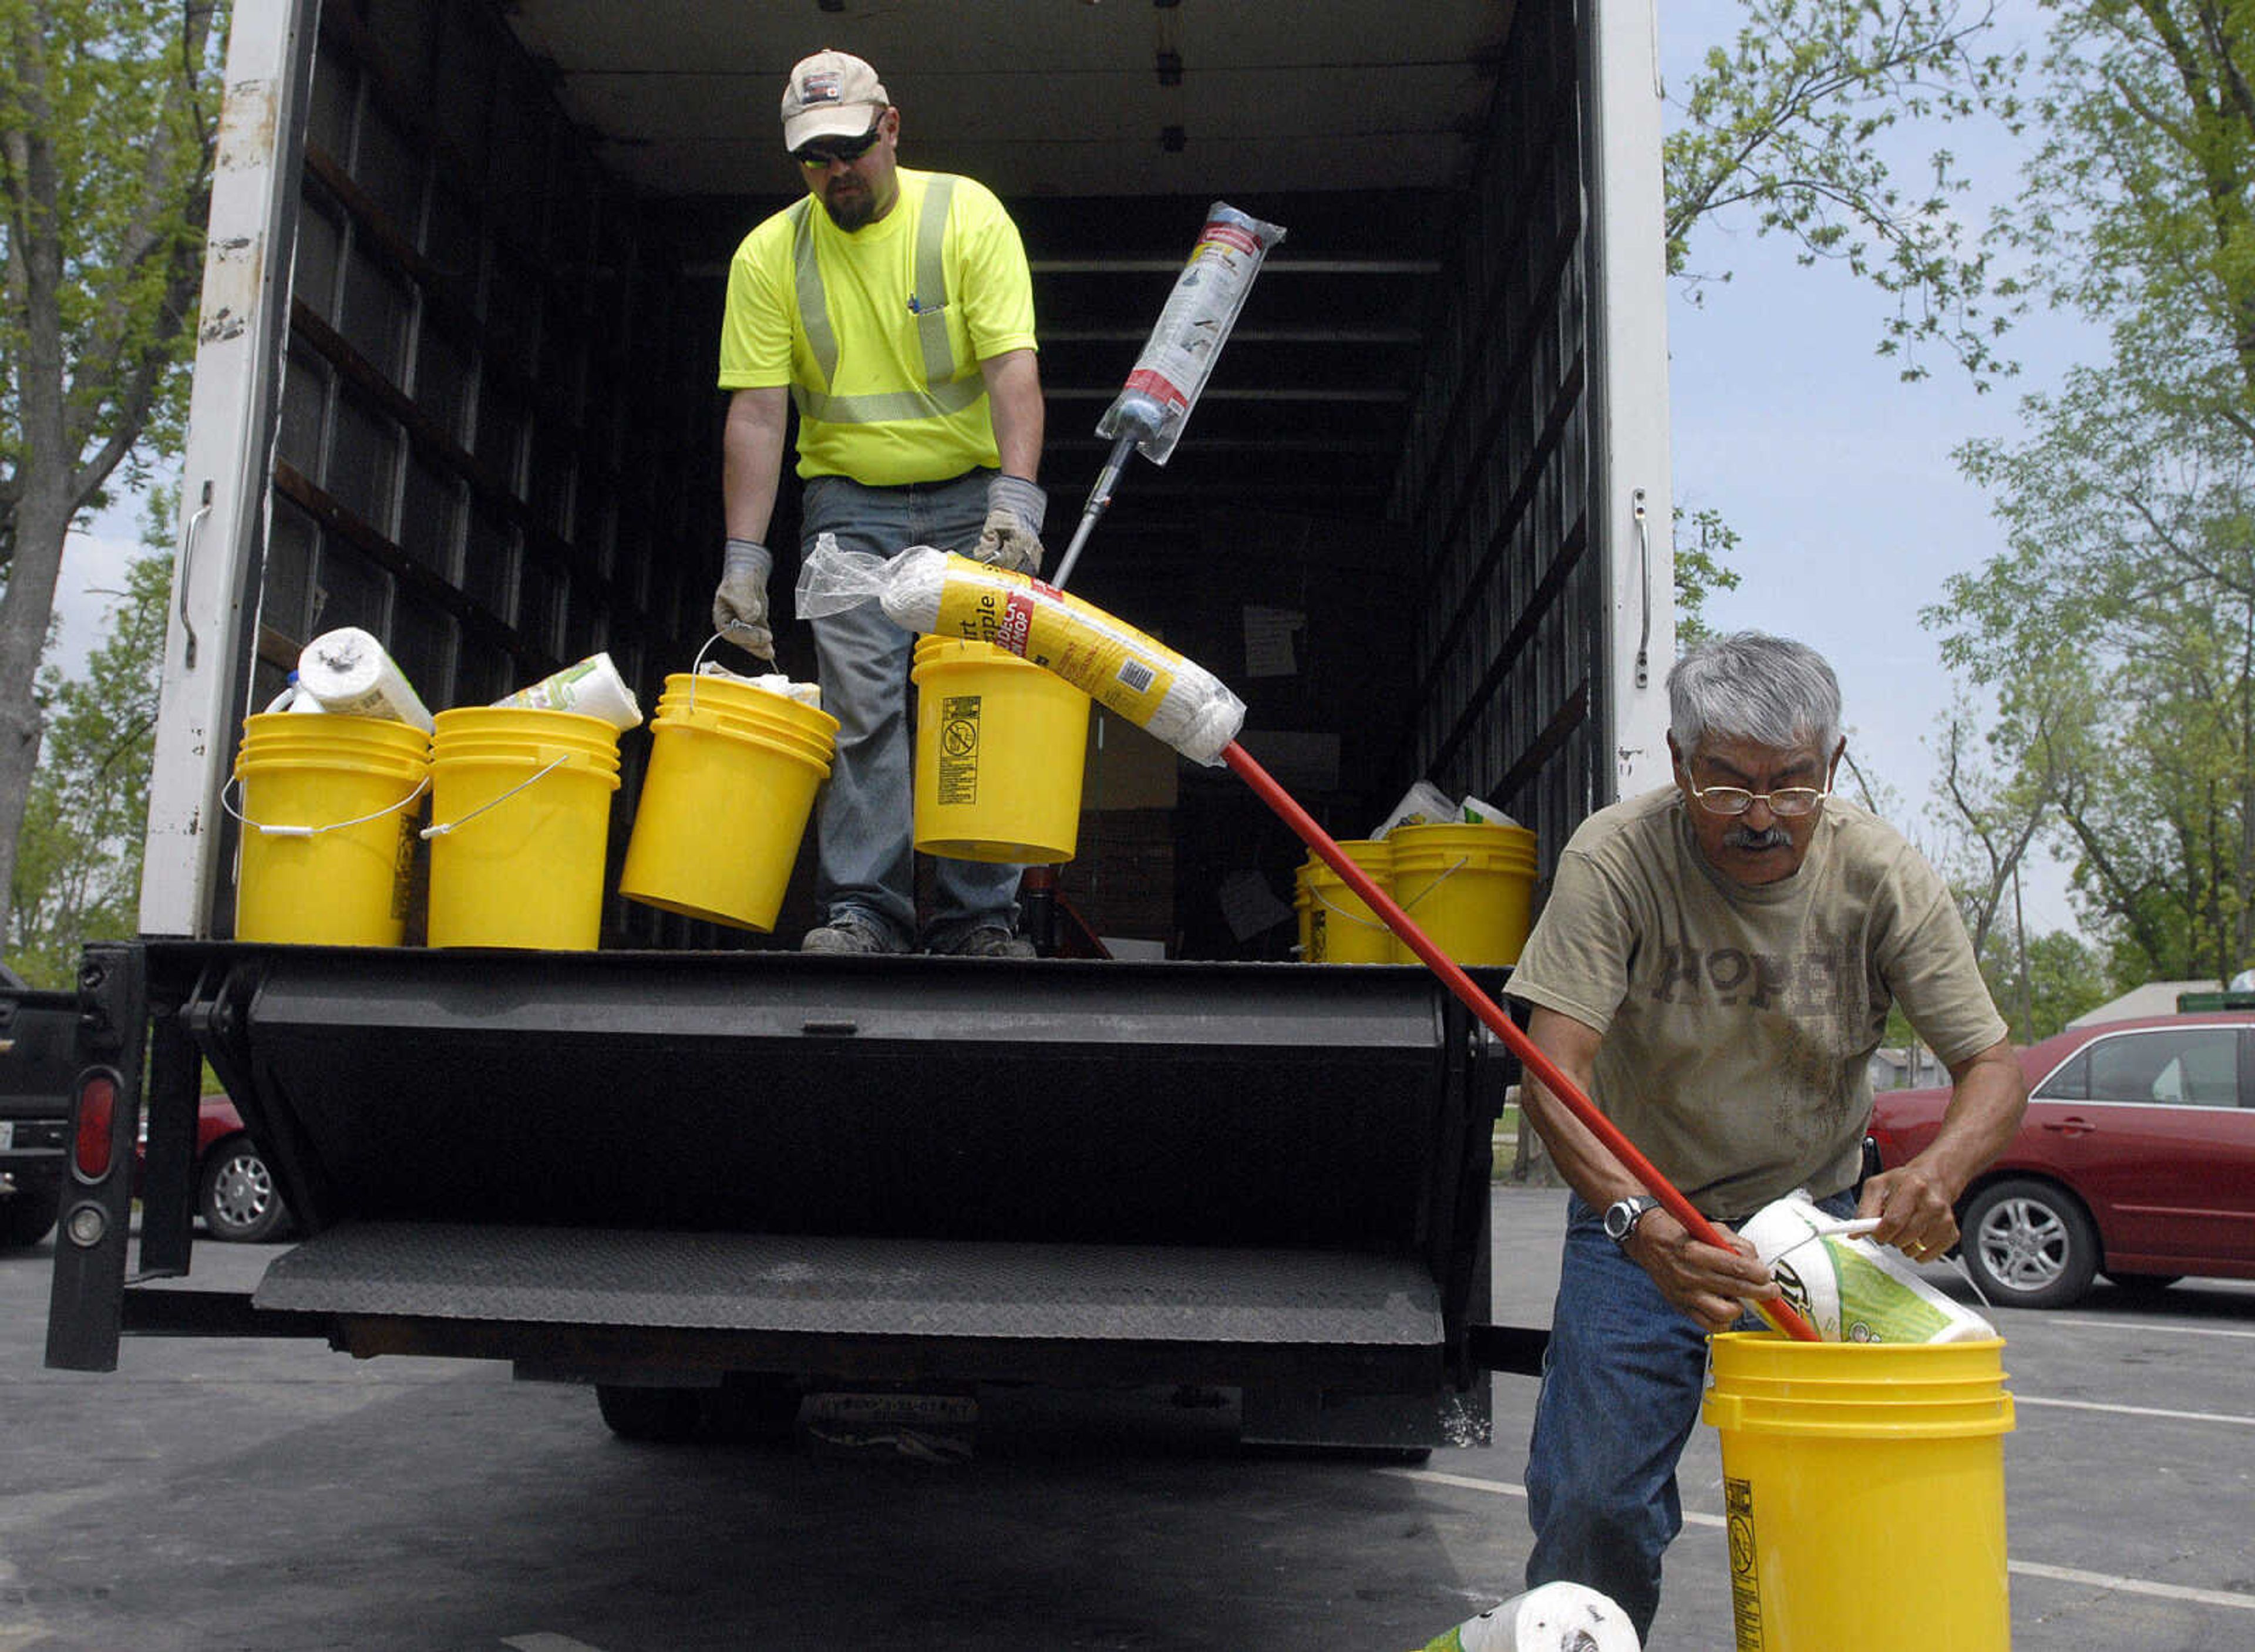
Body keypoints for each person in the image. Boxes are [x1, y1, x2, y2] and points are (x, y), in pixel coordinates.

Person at [1500, 631, 2028, 1643]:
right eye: (1727, 782)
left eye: (1791, 785)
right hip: (1645, 1219)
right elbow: (1553, 1071)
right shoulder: (1616, 855)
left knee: (1834, 1498)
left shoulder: (1880, 872)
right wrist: (1638, 1219)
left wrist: (1937, 1171)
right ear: (1677, 760)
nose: (1758, 816)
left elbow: (1993, 1070)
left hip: (1818, 1230)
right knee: (1592, 1504)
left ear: (1832, 763)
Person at [715, 48, 1048, 957]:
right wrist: (746, 557)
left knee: (973, 704)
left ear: (892, 127)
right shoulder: (769, 255)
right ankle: (865, 911)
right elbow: (756, 413)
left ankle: (982, 920)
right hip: (847, 509)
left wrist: (1017, 501)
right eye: (814, 158)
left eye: (851, 150)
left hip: (972, 500)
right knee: (864, 711)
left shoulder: (964, 215)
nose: (835, 173)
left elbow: (1013, 369)